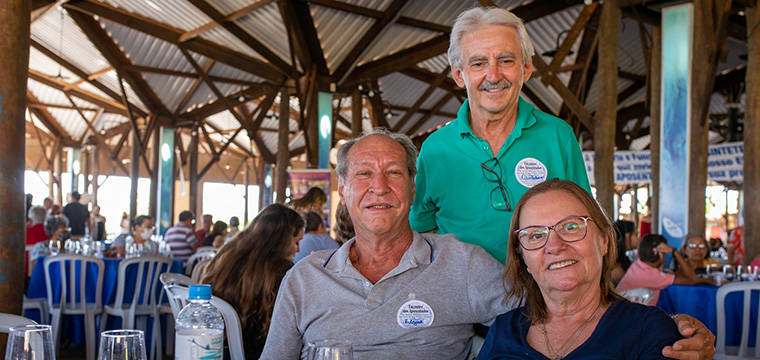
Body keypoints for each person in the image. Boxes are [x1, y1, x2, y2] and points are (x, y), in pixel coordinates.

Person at [261, 129, 714, 359]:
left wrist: (663, 327)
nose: (379, 186)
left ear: (413, 187)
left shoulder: (460, 264)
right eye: (363, 173)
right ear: (343, 186)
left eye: (394, 172)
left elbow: (561, 298)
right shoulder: (304, 278)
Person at [409, 7, 590, 263]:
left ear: (526, 68)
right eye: (479, 63)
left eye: (506, 61)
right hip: (464, 299)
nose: (493, 76)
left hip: (541, 296)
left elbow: (582, 223)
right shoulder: (434, 149)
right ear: (459, 74)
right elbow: (421, 229)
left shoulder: (558, 136)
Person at [478, 179, 683, 359]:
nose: (554, 246)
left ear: (604, 241)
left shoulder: (649, 330)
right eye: (535, 235)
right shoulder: (504, 330)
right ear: (523, 258)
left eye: (571, 227)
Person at [202, 204, 304, 359]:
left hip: (215, 347)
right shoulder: (280, 270)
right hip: (256, 350)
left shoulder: (227, 253)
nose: (298, 250)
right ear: (282, 240)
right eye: (296, 242)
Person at [617, 234, 709, 306]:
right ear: (661, 255)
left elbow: (677, 276)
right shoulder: (652, 275)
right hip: (634, 320)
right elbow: (691, 279)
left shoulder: (638, 265)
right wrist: (675, 252)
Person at [26, 206, 49, 276]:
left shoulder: (24, 231)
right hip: (46, 270)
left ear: (30, 219)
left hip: (25, 269)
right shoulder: (51, 232)